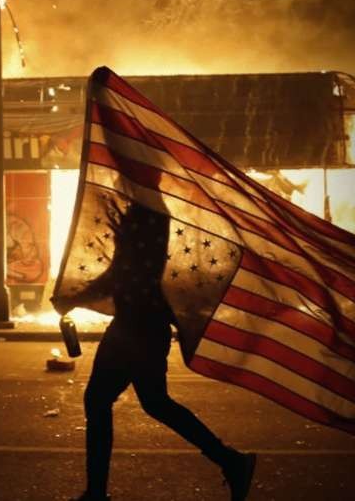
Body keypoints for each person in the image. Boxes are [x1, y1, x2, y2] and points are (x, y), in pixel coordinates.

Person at [55, 202, 256, 501]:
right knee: (150, 402)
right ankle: (230, 461)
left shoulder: (146, 213)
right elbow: (123, 272)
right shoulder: (148, 210)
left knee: (106, 401)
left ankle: (97, 494)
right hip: (141, 325)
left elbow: (123, 273)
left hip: (137, 327)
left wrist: (75, 297)